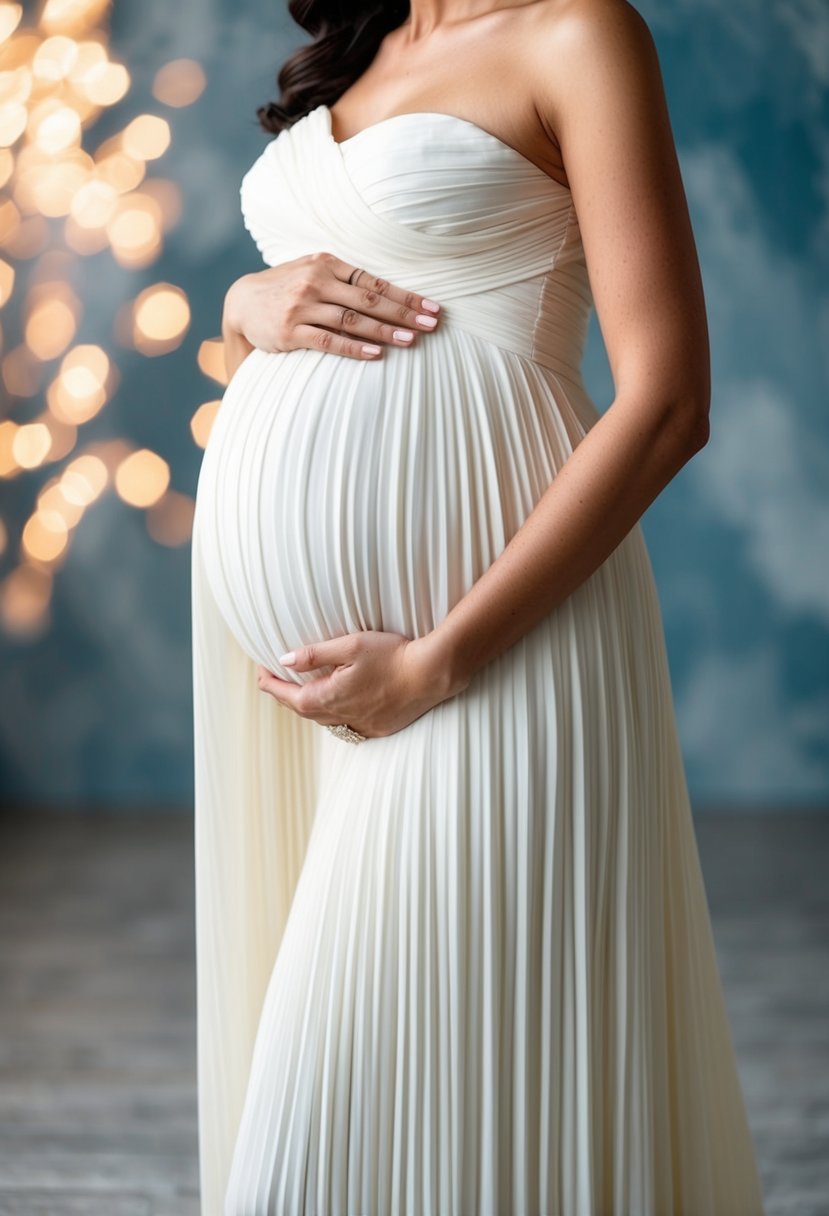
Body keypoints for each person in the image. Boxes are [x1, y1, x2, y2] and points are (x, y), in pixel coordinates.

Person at [191, 0, 767, 1211]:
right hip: (342, 689)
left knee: (366, 1102)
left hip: (500, 647)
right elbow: (274, 342)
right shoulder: (364, 50)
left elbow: (667, 402)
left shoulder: (579, 32)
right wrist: (242, 308)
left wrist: (442, 659)